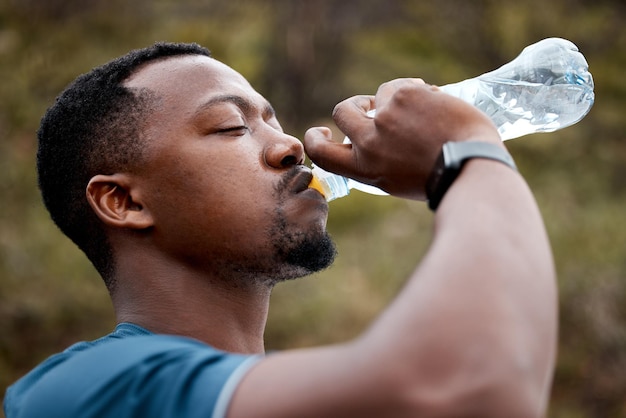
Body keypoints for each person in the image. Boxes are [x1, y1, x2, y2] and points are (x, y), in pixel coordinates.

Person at [4, 42, 557, 418]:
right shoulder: (88, 391)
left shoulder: (261, 394)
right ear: (122, 201)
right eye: (231, 126)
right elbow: (468, 389)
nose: (289, 145)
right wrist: (465, 158)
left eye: (272, 119)